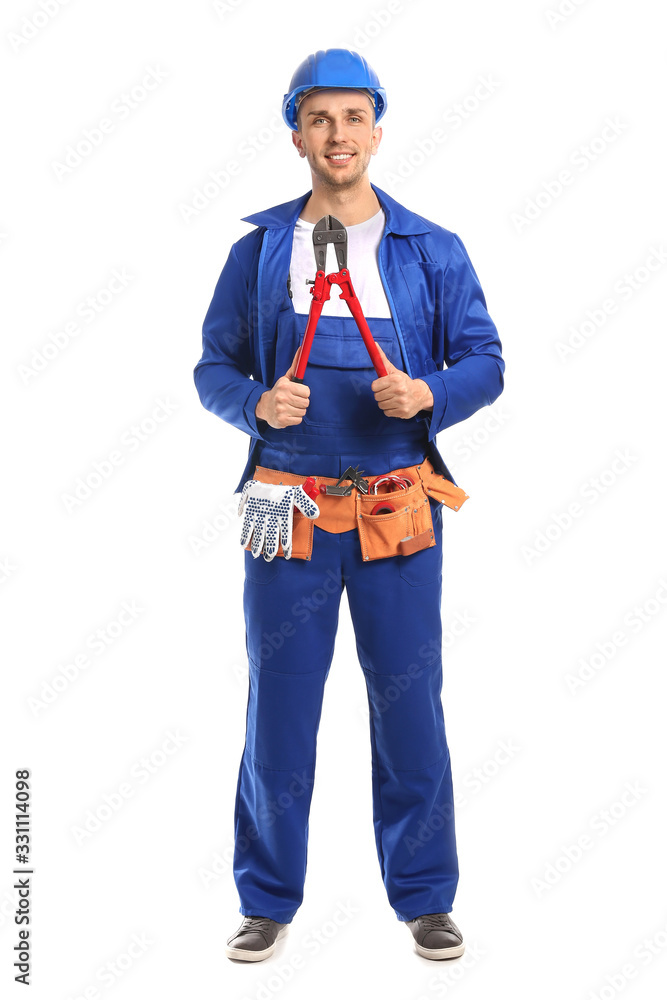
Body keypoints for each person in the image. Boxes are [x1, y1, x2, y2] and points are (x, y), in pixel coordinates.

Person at [194, 48, 505, 964]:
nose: (339, 135)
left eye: (354, 117)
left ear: (377, 128)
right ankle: (266, 901)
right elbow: (211, 365)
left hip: (397, 503)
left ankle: (425, 899)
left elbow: (486, 360)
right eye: (319, 119)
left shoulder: (431, 250)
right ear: (296, 134)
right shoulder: (256, 252)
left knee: (410, 709)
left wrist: (431, 397)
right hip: (279, 501)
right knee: (276, 709)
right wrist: (253, 403)